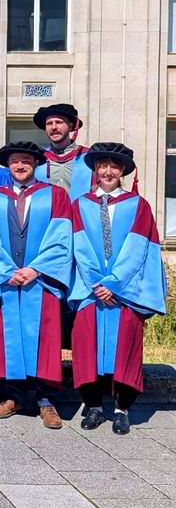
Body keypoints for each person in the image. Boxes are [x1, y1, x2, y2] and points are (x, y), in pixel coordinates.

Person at [0, 142, 73, 430]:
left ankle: (46, 400)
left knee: (44, 339)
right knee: (7, 339)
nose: (20, 165)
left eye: (25, 161)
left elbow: (61, 237)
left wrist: (35, 269)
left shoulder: (55, 195)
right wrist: (6, 269)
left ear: (35, 164)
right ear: (7, 165)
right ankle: (12, 397)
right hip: (6, 281)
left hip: (40, 280)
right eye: (15, 161)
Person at [70, 143, 168, 435]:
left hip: (127, 292)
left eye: (114, 166)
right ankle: (95, 407)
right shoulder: (81, 204)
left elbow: (138, 249)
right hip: (90, 291)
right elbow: (79, 247)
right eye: (103, 166)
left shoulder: (138, 205)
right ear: (95, 170)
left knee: (126, 348)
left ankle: (123, 409)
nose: (108, 171)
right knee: (87, 348)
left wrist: (113, 283)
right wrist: (97, 283)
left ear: (122, 170)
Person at [34, 103, 94, 201]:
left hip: (78, 215)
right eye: (49, 123)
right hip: (46, 215)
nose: (53, 127)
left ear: (70, 126)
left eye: (58, 122)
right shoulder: (37, 159)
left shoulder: (89, 158)